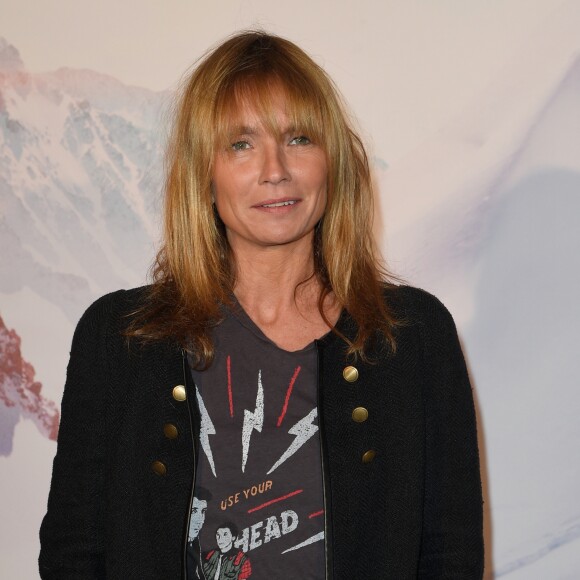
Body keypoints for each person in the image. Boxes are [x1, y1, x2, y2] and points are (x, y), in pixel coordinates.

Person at [39, 31, 484, 579]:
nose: (275, 169)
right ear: (204, 172)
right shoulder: (121, 338)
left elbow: (451, 555)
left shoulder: (412, 336)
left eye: (298, 138)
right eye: (241, 144)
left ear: (333, 161)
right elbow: (73, 552)